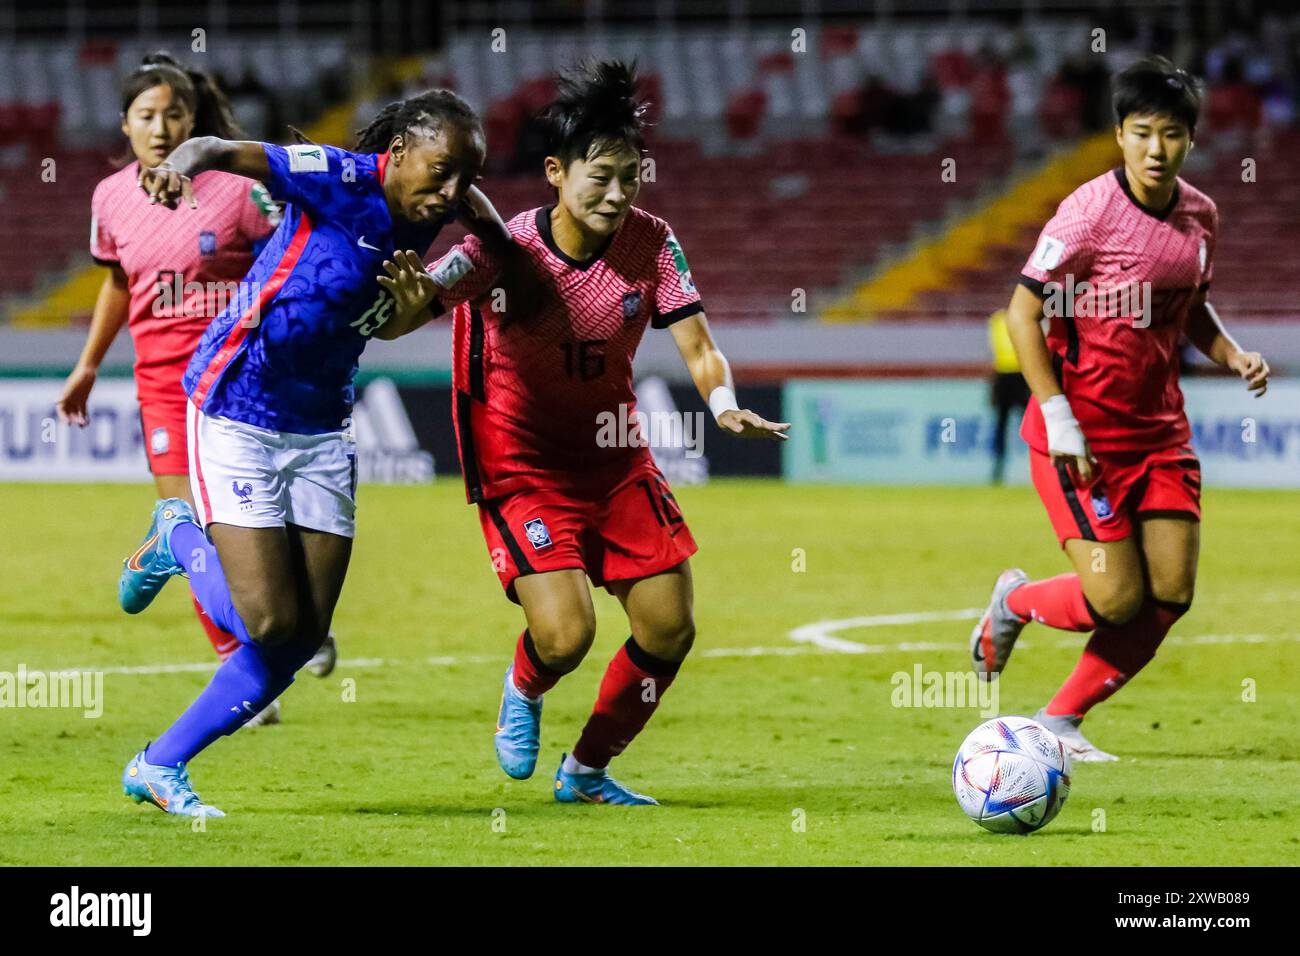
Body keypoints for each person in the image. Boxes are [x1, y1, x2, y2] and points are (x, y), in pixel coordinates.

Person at [376, 61, 790, 804]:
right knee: (566, 636)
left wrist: (722, 401)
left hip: (613, 457)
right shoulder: (503, 250)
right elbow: (414, 308)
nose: (617, 192)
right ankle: (525, 687)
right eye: (601, 175)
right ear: (555, 173)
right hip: (520, 465)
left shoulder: (652, 243)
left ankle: (588, 772)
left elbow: (697, 344)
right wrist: (405, 304)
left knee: (669, 629)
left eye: (631, 176)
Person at [116, 89, 510, 816]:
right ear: (396, 155)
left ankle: (158, 764)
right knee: (268, 623)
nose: (453, 192)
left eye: (466, 178)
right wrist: (179, 162)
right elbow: (224, 152)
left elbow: (482, 248)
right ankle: (177, 535)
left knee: (303, 639)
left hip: (323, 425)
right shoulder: (334, 174)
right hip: (237, 404)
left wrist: (432, 296)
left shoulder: (446, 212)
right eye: (442, 172)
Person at [969, 57, 1270, 760]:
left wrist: (1232, 355)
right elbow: (1022, 314)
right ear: (1118, 134)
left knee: (1170, 592)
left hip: (1161, 434)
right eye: (1141, 133)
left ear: (1192, 139)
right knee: (1115, 599)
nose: (1156, 150)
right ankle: (1014, 604)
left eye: (1171, 134)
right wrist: (1062, 415)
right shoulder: (1087, 213)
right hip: (1080, 438)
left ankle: (1060, 721)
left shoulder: (1201, 216)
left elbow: (1191, 308)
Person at [57, 53, 335, 706]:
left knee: (254, 522)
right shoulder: (110, 198)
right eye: (145, 116)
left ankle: (295, 621)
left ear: (193, 119)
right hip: (161, 385)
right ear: (123, 125)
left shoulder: (237, 190)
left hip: (242, 383)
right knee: (192, 524)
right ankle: (242, 666)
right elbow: (119, 283)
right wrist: (89, 364)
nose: (160, 127)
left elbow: (292, 255)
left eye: (173, 113)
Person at [987, 307, 1029, 485]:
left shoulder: (998, 319)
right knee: (1001, 424)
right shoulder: (999, 319)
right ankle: (998, 467)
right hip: (1009, 374)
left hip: (1020, 374)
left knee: (1028, 423)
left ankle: (1039, 464)